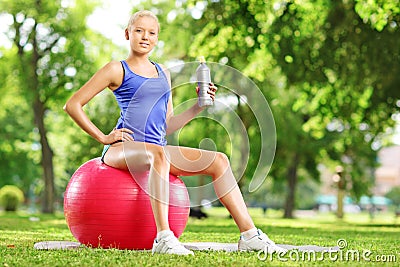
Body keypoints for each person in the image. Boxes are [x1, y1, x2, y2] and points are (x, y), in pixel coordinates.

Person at [64, 10, 287, 256]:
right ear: (127, 34)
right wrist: (103, 137)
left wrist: (198, 106)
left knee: (219, 160)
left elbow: (167, 123)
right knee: (158, 154)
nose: (145, 37)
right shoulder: (116, 69)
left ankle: (249, 235)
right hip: (121, 150)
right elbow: (73, 104)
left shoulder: (163, 74)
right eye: (139, 31)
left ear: (157, 38)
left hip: (156, 149)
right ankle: (163, 238)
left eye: (151, 32)